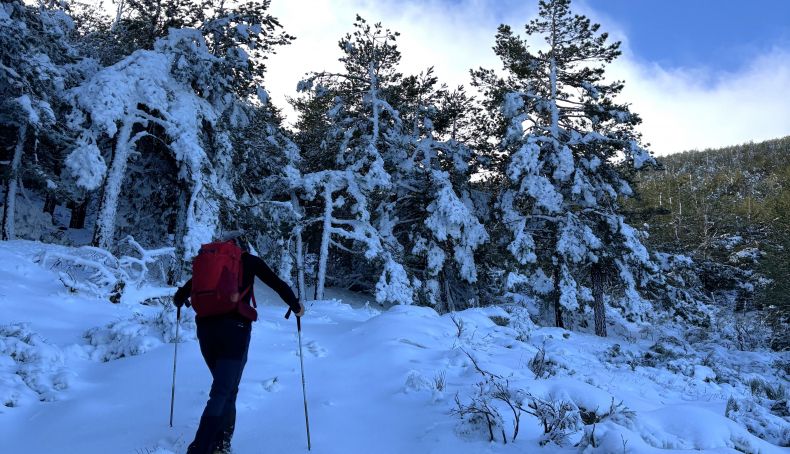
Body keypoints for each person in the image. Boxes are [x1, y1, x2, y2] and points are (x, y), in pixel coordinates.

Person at [174, 231, 304, 454]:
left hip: (206, 329)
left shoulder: (210, 264)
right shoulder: (248, 260)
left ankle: (221, 443)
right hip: (236, 329)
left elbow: (180, 297)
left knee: (227, 388)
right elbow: (278, 284)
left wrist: (181, 300)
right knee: (222, 390)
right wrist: (296, 306)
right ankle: (201, 447)